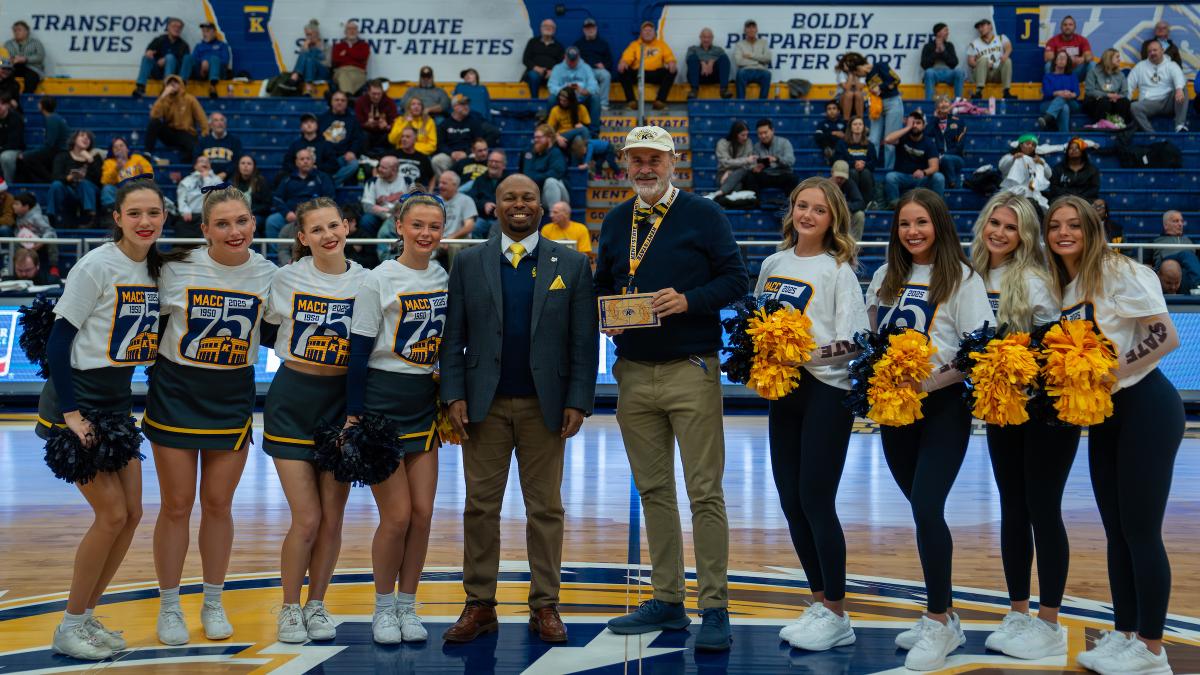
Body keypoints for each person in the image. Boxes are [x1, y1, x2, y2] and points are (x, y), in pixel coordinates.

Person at [595, 126, 747, 652]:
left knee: (704, 491)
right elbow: (603, 287)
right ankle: (667, 598)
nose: (644, 167)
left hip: (691, 368)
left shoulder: (705, 215)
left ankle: (715, 606)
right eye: (636, 159)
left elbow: (735, 281)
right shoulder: (616, 222)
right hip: (633, 373)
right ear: (625, 164)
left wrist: (689, 300)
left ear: (673, 160)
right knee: (654, 491)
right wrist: (606, 316)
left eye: (654, 158)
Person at [441, 174, 597, 645]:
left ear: (542, 206)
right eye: (510, 197)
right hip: (482, 407)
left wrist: (578, 400)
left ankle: (545, 604)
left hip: (545, 407)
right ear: (496, 206)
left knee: (545, 509)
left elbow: (583, 340)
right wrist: (453, 394)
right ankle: (480, 603)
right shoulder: (467, 262)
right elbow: (454, 337)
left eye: (528, 197)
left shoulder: (570, 262)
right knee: (480, 507)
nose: (520, 204)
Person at [1046, 196, 1184, 675]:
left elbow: (1166, 335)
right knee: (1117, 531)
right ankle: (1125, 633)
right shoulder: (1068, 285)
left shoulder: (1119, 270)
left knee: (1141, 531)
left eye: (1074, 225)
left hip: (1146, 405)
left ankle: (1151, 650)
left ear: (1091, 229)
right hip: (1107, 414)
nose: (1064, 233)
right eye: (1055, 226)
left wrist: (1108, 372)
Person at [36, 178, 170, 660]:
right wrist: (71, 415)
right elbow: (57, 341)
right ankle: (69, 625)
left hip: (116, 403)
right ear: (117, 217)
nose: (145, 222)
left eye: (153, 213)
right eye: (134, 213)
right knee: (111, 514)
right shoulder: (96, 266)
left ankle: (87, 617)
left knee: (132, 515)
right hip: (76, 404)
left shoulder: (156, 267)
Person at [865, 189, 994, 671]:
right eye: (904, 224)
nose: (912, 232)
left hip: (941, 407)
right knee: (920, 511)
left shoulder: (962, 277)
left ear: (938, 224)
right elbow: (873, 340)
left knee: (926, 505)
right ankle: (946, 615)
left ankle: (938, 620)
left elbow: (975, 349)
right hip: (896, 408)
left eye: (921, 222)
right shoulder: (884, 277)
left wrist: (928, 382)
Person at [145, 185, 277, 647]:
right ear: (205, 230)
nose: (233, 231)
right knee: (177, 505)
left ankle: (214, 600)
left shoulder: (269, 275)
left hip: (232, 394)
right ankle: (169, 604)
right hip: (177, 391)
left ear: (253, 223)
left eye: (241, 221)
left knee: (219, 504)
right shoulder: (176, 269)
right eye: (222, 223)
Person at [759, 177, 868, 652]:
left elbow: (852, 343)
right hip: (784, 391)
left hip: (827, 390)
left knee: (816, 499)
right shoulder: (772, 263)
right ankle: (820, 603)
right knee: (790, 500)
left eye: (818, 210)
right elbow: (754, 322)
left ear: (833, 219)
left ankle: (839, 614)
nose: (807, 215)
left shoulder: (838, 270)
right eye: (801, 206)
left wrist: (798, 354)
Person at [966, 193, 1076, 661]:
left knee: (1043, 508)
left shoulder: (1036, 279)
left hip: (1045, 410)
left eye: (1011, 227)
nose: (1000, 232)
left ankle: (1050, 622)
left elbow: (1061, 347)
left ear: (1025, 235)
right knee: (1013, 508)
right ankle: (1017, 611)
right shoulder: (969, 277)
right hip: (1001, 408)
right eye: (994, 222)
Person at [346, 190, 449, 644]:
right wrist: (354, 415)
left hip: (423, 402)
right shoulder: (378, 280)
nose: (426, 234)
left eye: (434, 226)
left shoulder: (443, 276)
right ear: (400, 227)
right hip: (382, 401)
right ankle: (383, 606)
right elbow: (358, 351)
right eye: (418, 225)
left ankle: (409, 605)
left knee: (424, 514)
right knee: (398, 516)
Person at [263, 197, 364, 643]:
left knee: (332, 519)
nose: (328, 235)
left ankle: (317, 605)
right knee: (306, 517)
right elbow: (265, 328)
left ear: (347, 226)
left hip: (340, 403)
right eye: (317, 230)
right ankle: (288, 608)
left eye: (333, 226)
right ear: (302, 238)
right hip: (292, 399)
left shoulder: (367, 281)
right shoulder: (284, 279)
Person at [268, 148, 336, 262]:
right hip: (291, 216)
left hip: (316, 217)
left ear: (313, 161)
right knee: (271, 221)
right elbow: (277, 198)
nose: (305, 161)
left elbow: (329, 199)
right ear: (296, 162)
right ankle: (279, 257)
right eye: (302, 159)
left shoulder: (322, 178)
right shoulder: (288, 179)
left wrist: (313, 214)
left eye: (308, 159)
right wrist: (287, 213)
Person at [884, 111, 944, 206]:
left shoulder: (929, 143)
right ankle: (895, 205)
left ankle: (937, 206)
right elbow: (887, 139)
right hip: (903, 177)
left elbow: (935, 167)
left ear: (924, 126)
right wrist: (907, 128)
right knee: (890, 177)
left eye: (918, 123)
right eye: (913, 123)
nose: (915, 125)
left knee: (939, 177)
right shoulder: (902, 137)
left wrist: (923, 172)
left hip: (921, 178)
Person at [1128, 41, 1188, 133]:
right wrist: (1125, 100)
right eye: (1149, 51)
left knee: (1182, 88)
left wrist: (1179, 89)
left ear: (1162, 50)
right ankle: (1151, 134)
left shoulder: (1171, 65)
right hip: (1148, 103)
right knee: (1134, 106)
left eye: (1155, 50)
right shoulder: (1140, 67)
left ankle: (1180, 125)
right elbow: (1129, 85)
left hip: (1168, 102)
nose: (1152, 53)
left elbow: (1179, 77)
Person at [146, 75, 208, 162]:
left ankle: (179, 162)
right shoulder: (164, 100)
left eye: (175, 82)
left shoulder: (189, 99)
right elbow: (154, 115)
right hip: (171, 133)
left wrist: (205, 134)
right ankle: (147, 153)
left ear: (181, 85)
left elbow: (201, 117)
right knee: (154, 122)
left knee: (195, 150)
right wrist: (163, 95)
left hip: (186, 132)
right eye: (170, 83)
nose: (173, 85)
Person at [617, 22, 677, 110]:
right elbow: (627, 57)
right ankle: (631, 101)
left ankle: (660, 101)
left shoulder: (661, 44)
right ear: (641, 33)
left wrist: (671, 62)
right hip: (638, 74)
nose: (648, 32)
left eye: (650, 30)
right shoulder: (634, 45)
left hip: (655, 74)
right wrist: (624, 62)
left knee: (672, 71)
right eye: (645, 30)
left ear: (654, 33)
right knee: (622, 71)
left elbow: (669, 57)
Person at [48, 131, 102, 227]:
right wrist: (70, 177)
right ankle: (52, 217)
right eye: (82, 135)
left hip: (89, 192)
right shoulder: (63, 156)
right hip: (69, 190)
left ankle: (89, 217)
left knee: (84, 184)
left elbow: (101, 180)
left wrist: (90, 160)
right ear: (74, 139)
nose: (86, 138)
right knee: (56, 185)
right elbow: (55, 176)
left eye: (88, 138)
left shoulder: (95, 157)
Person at [283, 112, 348, 186]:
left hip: (320, 180)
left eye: (312, 122)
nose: (309, 124)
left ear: (317, 126)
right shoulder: (295, 145)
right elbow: (287, 163)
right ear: (301, 127)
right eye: (305, 122)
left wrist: (317, 168)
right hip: (299, 180)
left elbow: (333, 164)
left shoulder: (326, 145)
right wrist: (300, 169)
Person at [133, 17, 190, 99]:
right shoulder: (159, 40)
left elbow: (182, 65)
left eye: (179, 27)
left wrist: (167, 59)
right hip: (158, 71)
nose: (177, 29)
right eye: (174, 26)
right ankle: (140, 87)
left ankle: (166, 87)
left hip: (173, 75)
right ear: (168, 27)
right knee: (146, 58)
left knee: (170, 57)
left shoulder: (183, 45)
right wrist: (150, 53)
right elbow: (149, 51)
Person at [14, 96, 68, 183]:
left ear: (42, 106)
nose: (37, 104)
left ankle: (49, 180)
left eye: (39, 103)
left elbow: (49, 145)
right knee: (29, 157)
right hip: (58, 150)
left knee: (26, 158)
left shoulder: (52, 119)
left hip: (60, 152)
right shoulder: (54, 118)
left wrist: (26, 154)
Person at [548, 47, 601, 133]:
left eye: (574, 60)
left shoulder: (586, 68)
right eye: (570, 60)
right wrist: (565, 91)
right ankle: (551, 131)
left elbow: (594, 86)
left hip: (581, 98)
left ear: (579, 57)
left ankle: (593, 132)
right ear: (565, 57)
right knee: (551, 98)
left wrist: (584, 91)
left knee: (595, 98)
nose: (572, 62)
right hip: (564, 98)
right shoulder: (557, 68)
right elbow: (551, 86)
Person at [318, 91, 364, 185]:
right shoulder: (322, 119)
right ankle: (335, 182)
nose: (340, 102)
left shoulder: (353, 120)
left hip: (343, 157)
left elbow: (357, 139)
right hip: (326, 157)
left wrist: (352, 151)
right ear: (331, 102)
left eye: (343, 100)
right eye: (337, 100)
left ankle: (332, 181)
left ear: (346, 103)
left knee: (354, 164)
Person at [999, 134, 1051, 213]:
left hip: (1031, 194)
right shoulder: (1010, 156)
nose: (1030, 146)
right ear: (1020, 145)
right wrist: (1013, 158)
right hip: (1012, 192)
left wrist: (1042, 164)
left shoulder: (1038, 160)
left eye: (1033, 145)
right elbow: (1001, 167)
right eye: (1027, 143)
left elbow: (1049, 175)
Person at [521, 124, 569, 209]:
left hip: (559, 196)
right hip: (537, 195)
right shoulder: (530, 152)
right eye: (535, 137)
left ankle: (555, 215)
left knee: (550, 182)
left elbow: (556, 173)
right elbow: (525, 173)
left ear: (549, 138)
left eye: (539, 137)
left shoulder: (556, 153)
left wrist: (535, 178)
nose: (536, 140)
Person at [432, 95, 483, 176]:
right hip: (450, 156)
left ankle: (468, 184)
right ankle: (447, 183)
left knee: (477, 156)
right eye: (463, 104)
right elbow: (441, 144)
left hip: (468, 154)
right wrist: (451, 153)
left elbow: (479, 142)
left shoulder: (474, 122)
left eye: (467, 104)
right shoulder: (444, 124)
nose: (466, 107)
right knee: (437, 160)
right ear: (454, 107)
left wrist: (466, 153)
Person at [834, 116, 878, 208]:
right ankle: (854, 201)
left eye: (860, 124)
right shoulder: (842, 143)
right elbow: (838, 160)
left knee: (866, 173)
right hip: (849, 172)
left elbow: (874, 163)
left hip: (865, 172)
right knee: (853, 172)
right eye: (855, 124)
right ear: (850, 127)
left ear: (863, 127)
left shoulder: (869, 145)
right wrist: (854, 164)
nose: (857, 126)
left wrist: (864, 164)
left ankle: (867, 203)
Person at [746, 118, 798, 195]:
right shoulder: (756, 146)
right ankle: (755, 203)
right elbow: (751, 164)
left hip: (782, 174)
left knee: (793, 178)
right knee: (749, 176)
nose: (763, 136)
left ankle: (789, 204)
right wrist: (755, 168)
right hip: (766, 175)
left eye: (765, 132)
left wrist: (776, 159)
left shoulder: (784, 142)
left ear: (772, 130)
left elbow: (791, 160)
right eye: (760, 133)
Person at [99, 137, 153, 211]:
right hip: (118, 190)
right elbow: (105, 181)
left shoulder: (138, 158)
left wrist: (141, 174)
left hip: (136, 188)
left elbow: (149, 174)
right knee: (107, 189)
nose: (119, 148)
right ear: (112, 151)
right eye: (115, 147)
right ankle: (111, 214)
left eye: (121, 145)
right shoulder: (109, 162)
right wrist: (116, 169)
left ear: (127, 149)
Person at [359, 155, 408, 236]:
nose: (379, 169)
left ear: (394, 170)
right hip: (378, 216)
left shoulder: (407, 181)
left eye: (384, 168)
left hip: (400, 216)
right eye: (379, 166)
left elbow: (412, 203)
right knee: (366, 220)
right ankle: (372, 247)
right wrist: (387, 214)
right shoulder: (372, 181)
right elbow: (367, 206)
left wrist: (393, 214)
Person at [1083, 49, 1132, 128]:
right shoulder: (1093, 72)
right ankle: (1099, 124)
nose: (1119, 59)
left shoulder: (1121, 75)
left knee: (1124, 101)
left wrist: (1117, 97)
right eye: (1117, 57)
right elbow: (1089, 91)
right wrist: (1107, 95)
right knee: (1104, 102)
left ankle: (1118, 124)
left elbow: (1124, 92)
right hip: (1095, 102)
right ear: (1109, 58)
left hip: (1113, 101)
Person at [1152, 210, 1200, 290]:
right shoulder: (1155, 241)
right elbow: (1145, 263)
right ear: (1165, 225)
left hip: (1184, 274)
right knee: (1186, 254)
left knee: (1184, 272)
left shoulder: (1190, 241)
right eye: (1176, 221)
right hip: (1165, 267)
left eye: (1181, 221)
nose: (1180, 224)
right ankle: (1198, 284)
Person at [967, 19, 1014, 99]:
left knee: (1008, 61)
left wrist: (1005, 55)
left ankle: (1006, 92)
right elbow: (970, 61)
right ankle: (978, 92)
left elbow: (1009, 47)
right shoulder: (974, 43)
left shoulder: (1001, 38)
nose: (980, 29)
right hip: (983, 74)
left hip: (997, 72)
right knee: (983, 60)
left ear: (990, 26)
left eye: (982, 26)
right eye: (978, 27)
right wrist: (983, 65)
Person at [708, 119, 755, 200]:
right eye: (742, 135)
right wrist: (746, 160)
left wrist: (730, 172)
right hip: (722, 175)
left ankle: (720, 193)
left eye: (747, 135)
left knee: (743, 171)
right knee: (737, 186)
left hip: (741, 174)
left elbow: (749, 165)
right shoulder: (722, 143)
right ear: (735, 134)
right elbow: (725, 162)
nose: (745, 138)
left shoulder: (748, 142)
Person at [175, 156, 224, 231]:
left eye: (207, 162)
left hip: (211, 216)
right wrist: (185, 210)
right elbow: (181, 198)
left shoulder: (217, 180)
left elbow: (215, 197)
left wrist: (206, 178)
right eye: (201, 161)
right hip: (190, 216)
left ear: (210, 166)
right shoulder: (187, 180)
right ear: (195, 166)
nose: (204, 163)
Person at [574, 18, 614, 110]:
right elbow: (573, 60)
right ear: (584, 30)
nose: (590, 30)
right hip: (583, 70)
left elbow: (610, 62)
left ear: (596, 29)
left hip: (597, 71)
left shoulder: (603, 44)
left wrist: (605, 66)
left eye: (592, 28)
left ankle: (603, 104)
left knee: (606, 75)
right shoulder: (578, 44)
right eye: (587, 28)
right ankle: (578, 103)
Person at [467, 150, 507, 238]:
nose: (493, 164)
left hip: (502, 219)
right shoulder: (479, 180)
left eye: (496, 162)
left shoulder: (510, 181)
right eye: (490, 161)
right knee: (474, 228)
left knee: (498, 228)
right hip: (483, 218)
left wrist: (500, 208)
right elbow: (471, 199)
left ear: (503, 165)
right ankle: (479, 252)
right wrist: (484, 204)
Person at [928, 96, 966, 188]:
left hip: (956, 158)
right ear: (936, 108)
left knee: (946, 159)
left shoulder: (958, 122)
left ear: (950, 106)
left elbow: (959, 146)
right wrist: (935, 118)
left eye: (946, 101)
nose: (944, 103)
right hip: (936, 159)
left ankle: (952, 182)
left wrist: (943, 156)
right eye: (941, 102)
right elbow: (926, 134)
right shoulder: (933, 123)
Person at [355, 79, 399, 158]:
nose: (376, 97)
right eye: (373, 94)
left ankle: (388, 157)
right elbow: (357, 122)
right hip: (367, 133)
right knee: (362, 135)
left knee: (393, 136)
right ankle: (365, 157)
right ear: (368, 92)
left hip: (384, 133)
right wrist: (367, 124)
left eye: (379, 94)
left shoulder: (389, 102)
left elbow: (395, 122)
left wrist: (387, 126)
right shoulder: (361, 101)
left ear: (382, 92)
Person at [1038, 51, 1080, 132]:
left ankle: (1048, 117)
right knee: (1064, 107)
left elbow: (1077, 92)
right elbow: (1046, 93)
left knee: (1064, 101)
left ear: (1067, 62)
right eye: (1059, 58)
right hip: (1048, 104)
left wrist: (1070, 94)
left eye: (1064, 58)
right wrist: (1058, 93)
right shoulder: (1048, 77)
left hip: (1071, 102)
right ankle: (1064, 136)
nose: (1061, 60)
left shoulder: (1072, 76)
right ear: (1055, 61)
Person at [1047, 137, 1100, 202]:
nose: (1073, 150)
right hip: (1063, 200)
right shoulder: (1058, 168)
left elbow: (1094, 189)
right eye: (1070, 148)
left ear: (1082, 151)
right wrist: (1068, 197)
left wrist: (1079, 198)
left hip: (1085, 201)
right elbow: (1054, 187)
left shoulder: (1092, 169)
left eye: (1077, 148)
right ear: (1067, 152)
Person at [523, 19, 565, 99]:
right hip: (534, 74)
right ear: (541, 28)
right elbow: (525, 59)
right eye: (545, 26)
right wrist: (536, 68)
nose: (548, 28)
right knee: (533, 76)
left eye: (551, 27)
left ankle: (554, 104)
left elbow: (561, 64)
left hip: (550, 75)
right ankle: (535, 102)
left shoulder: (559, 46)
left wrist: (553, 71)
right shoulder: (532, 42)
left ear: (554, 30)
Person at [547, 87, 591, 163]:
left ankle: (574, 168)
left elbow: (588, 125)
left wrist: (582, 125)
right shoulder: (555, 110)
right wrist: (557, 137)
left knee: (578, 139)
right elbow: (549, 129)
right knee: (583, 130)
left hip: (576, 137)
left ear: (571, 101)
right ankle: (588, 152)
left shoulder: (581, 108)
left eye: (565, 101)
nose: (561, 102)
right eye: (560, 100)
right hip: (562, 136)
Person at [685, 28, 731, 100]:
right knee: (692, 58)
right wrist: (702, 62)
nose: (706, 40)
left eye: (708, 37)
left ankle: (724, 89)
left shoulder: (718, 49)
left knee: (724, 58)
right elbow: (688, 60)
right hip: (698, 77)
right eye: (704, 37)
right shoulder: (693, 49)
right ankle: (694, 90)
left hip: (714, 76)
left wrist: (712, 62)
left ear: (712, 38)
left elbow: (725, 62)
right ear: (700, 37)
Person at [921, 23, 964, 100]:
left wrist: (944, 51)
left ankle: (958, 101)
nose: (948, 33)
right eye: (945, 30)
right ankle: (929, 102)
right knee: (928, 72)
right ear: (938, 33)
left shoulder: (949, 45)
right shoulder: (928, 46)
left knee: (960, 72)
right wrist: (936, 52)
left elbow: (954, 63)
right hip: (934, 73)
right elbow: (924, 65)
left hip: (948, 73)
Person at [195, 112, 243, 180]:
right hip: (206, 176)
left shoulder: (235, 141)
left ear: (225, 124)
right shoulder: (203, 141)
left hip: (228, 178)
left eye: (222, 120)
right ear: (210, 125)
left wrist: (225, 173)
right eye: (216, 120)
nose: (219, 123)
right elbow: (196, 159)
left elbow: (237, 161)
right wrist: (206, 172)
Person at [231, 154, 272, 232]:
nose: (245, 166)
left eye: (249, 163)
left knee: (250, 223)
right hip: (235, 214)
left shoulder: (261, 182)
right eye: (243, 163)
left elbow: (267, 205)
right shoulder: (232, 183)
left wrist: (251, 212)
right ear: (238, 166)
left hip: (255, 214)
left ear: (254, 167)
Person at [1043, 15, 1092, 80]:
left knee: (1092, 64)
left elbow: (1089, 56)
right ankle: (1051, 87)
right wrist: (1066, 59)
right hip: (1060, 71)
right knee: (1048, 65)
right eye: (1065, 25)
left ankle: (1090, 88)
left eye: (1070, 25)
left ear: (1074, 27)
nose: (1067, 27)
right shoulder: (1053, 40)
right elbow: (1047, 57)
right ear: (1061, 27)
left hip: (1076, 71)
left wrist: (1083, 59)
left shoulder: (1082, 40)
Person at [733, 19, 772, 99]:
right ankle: (741, 104)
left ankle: (762, 104)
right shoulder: (739, 44)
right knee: (740, 74)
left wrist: (751, 56)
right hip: (746, 71)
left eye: (753, 27)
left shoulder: (763, 43)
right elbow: (739, 61)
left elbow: (768, 59)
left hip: (761, 71)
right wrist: (759, 62)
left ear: (756, 30)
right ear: (745, 30)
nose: (751, 29)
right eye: (748, 27)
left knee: (767, 74)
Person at [191, 22, 231, 99]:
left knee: (214, 59)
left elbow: (225, 61)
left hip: (218, 73)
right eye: (203, 31)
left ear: (214, 32)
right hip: (202, 72)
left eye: (208, 31)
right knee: (188, 58)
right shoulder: (198, 46)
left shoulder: (222, 45)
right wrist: (203, 63)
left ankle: (213, 86)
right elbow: (194, 60)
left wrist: (208, 62)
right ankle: (182, 84)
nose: (205, 34)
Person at [292, 19, 330, 95]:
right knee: (309, 59)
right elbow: (302, 63)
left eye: (310, 34)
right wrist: (305, 47)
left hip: (322, 72)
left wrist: (315, 61)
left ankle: (295, 76)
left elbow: (328, 64)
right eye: (307, 35)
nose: (308, 37)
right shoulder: (306, 46)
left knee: (310, 60)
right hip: (309, 73)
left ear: (316, 33)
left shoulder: (326, 46)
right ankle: (307, 84)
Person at [5, 20, 45, 93]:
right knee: (6, 76)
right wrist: (9, 60)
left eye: (19, 30)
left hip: (32, 68)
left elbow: (40, 56)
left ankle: (26, 98)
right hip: (14, 67)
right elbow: (2, 59)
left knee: (31, 78)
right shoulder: (8, 44)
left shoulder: (36, 42)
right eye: (15, 30)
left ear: (27, 31)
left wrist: (25, 59)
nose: (16, 32)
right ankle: (9, 97)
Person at [830, 161, 866, 240]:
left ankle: (854, 247)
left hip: (845, 213)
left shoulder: (850, 184)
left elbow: (860, 203)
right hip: (830, 215)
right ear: (832, 173)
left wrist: (845, 206)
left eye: (842, 178)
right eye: (838, 177)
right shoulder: (825, 185)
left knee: (859, 215)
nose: (839, 180)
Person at [393, 127, 436, 193]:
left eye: (407, 137)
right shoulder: (393, 155)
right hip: (395, 193)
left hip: (416, 195)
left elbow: (432, 177)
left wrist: (430, 193)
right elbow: (377, 168)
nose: (404, 139)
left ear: (415, 139)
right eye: (402, 136)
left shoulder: (423, 158)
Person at [331, 21, 368, 95]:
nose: (352, 31)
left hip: (358, 72)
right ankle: (348, 97)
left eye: (354, 29)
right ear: (345, 32)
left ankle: (346, 97)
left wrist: (346, 52)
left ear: (358, 32)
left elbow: (361, 57)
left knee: (346, 78)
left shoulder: (364, 45)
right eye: (349, 29)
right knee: (343, 75)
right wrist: (353, 55)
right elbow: (336, 60)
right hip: (340, 71)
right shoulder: (338, 46)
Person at [0, 95, 23, 183]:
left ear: (8, 105)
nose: (0, 106)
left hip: (14, 150)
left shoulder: (16, 118)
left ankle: (8, 185)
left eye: (2, 104)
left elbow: (14, 143)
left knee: (6, 157)